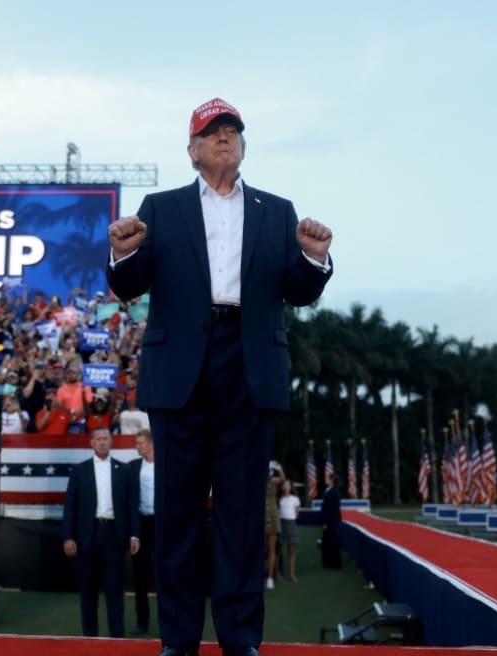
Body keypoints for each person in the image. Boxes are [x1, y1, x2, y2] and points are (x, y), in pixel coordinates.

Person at [106, 97, 333, 656]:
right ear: (192, 150)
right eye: (212, 132)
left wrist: (313, 258)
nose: (224, 138)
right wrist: (121, 252)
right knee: (179, 512)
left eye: (232, 130)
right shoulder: (160, 208)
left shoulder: (277, 212)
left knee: (240, 514)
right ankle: (178, 641)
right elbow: (129, 286)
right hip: (182, 367)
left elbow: (298, 292)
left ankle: (240, 640)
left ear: (243, 145)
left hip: (250, 366)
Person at [62, 427, 140, 638]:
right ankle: (90, 636)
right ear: (91, 442)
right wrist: (68, 536)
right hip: (88, 535)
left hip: (114, 534)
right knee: (88, 589)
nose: (102, 442)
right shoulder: (79, 471)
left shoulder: (124, 470)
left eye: (106, 439)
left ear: (111, 442)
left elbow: (132, 506)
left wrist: (135, 535)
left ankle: (117, 636)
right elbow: (70, 506)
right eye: (98, 439)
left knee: (115, 589)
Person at [129, 428, 156, 635]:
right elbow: (130, 504)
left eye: (140, 443)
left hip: (163, 526)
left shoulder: (167, 466)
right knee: (140, 578)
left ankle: (169, 622)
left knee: (167, 577)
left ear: (151, 443)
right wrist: (134, 533)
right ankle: (142, 621)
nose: (137, 446)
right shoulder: (133, 467)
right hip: (142, 526)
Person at [264, 461, 284, 590]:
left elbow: (282, 479)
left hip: (272, 513)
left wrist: (279, 468)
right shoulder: (256, 480)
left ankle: (270, 577)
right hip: (259, 514)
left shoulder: (272, 481)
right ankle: (260, 575)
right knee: (261, 549)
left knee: (272, 547)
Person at [277, 480, 301, 582]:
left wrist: (292, 518)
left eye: (288, 485)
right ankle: (277, 573)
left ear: (290, 487)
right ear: (282, 487)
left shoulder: (295, 499)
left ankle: (292, 574)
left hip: (291, 524)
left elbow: (297, 513)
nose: (286, 487)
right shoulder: (278, 499)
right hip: (281, 524)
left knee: (291, 550)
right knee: (278, 550)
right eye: (284, 485)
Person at [320, 470, 343, 569]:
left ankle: (334, 562)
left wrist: (326, 522)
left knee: (332, 541)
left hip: (332, 522)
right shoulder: (330, 490)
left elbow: (330, 509)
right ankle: (329, 561)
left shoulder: (334, 491)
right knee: (328, 541)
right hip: (332, 521)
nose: (326, 479)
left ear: (332, 480)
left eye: (328, 478)